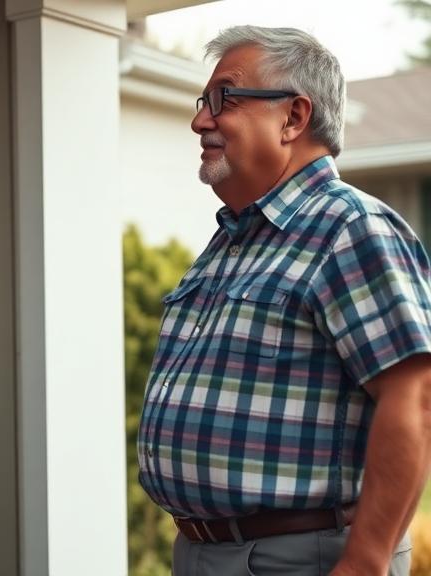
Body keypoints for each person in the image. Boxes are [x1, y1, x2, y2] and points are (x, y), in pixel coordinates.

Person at [137, 26, 431, 576]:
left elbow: (414, 398)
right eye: (204, 103)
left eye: (223, 98)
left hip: (298, 559)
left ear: (293, 118)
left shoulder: (351, 228)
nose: (200, 120)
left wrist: (366, 561)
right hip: (207, 554)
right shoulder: (231, 242)